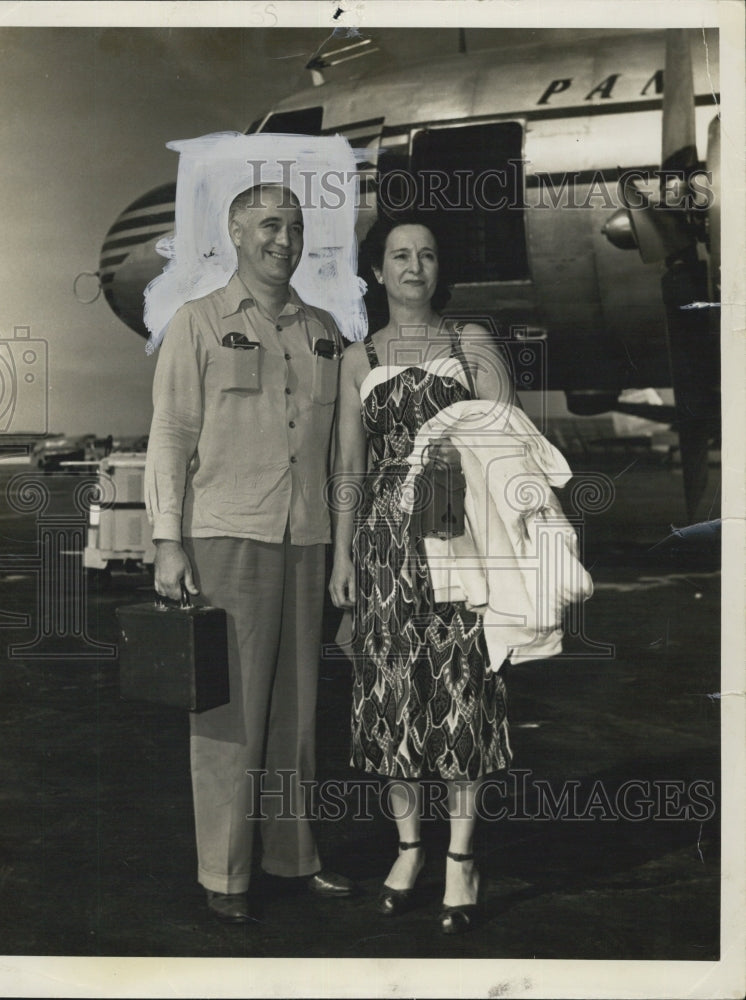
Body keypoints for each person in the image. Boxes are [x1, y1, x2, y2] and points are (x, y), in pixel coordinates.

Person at [145, 183, 354, 923]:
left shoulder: (324, 330)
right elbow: (170, 434)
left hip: (305, 539)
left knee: (298, 716)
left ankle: (293, 858)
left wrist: (343, 549)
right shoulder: (196, 324)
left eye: (295, 227)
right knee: (229, 718)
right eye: (269, 224)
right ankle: (224, 876)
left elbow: (339, 454)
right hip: (227, 536)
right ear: (236, 232)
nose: (284, 239)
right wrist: (168, 540)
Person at [329, 215, 514, 934]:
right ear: (377, 271)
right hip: (383, 547)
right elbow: (348, 465)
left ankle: (463, 859)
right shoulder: (357, 357)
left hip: (457, 540)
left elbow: (511, 447)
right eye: (399, 256)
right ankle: (409, 850)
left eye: (427, 255)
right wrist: (343, 553)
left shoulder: (471, 344)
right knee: (391, 692)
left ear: (442, 269)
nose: (414, 267)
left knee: (462, 688)